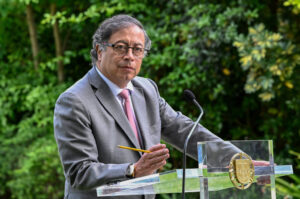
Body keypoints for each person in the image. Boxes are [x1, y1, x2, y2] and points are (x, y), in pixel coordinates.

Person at [54, 14, 238, 199]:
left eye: (137, 49)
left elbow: (184, 131)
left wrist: (237, 160)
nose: (130, 56)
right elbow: (79, 172)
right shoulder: (74, 100)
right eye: (120, 47)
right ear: (99, 51)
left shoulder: (147, 89)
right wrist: (133, 170)